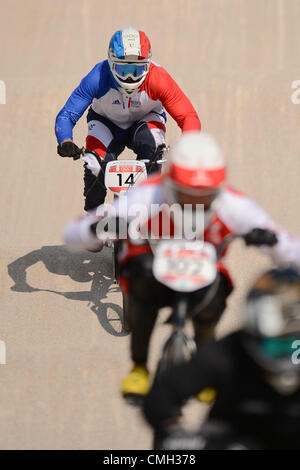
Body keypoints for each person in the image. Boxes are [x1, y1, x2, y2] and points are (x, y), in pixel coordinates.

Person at [63, 131, 300, 398]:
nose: (196, 203)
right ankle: (139, 367)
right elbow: (74, 233)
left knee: (217, 292)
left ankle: (205, 364)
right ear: (169, 184)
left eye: (205, 195)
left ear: (219, 188)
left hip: (205, 271)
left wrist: (268, 240)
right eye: (188, 194)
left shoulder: (233, 204)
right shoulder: (147, 194)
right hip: (152, 269)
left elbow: (289, 248)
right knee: (139, 279)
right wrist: (97, 228)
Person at [143, 268, 300, 450]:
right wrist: (173, 432)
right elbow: (165, 392)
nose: (285, 355)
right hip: (230, 438)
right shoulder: (230, 351)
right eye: (276, 342)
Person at [55, 26, 201, 211]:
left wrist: (187, 144)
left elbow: (188, 116)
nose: (131, 77)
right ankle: (93, 219)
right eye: (123, 70)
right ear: (110, 63)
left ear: (147, 65)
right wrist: (65, 140)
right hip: (105, 122)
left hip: (145, 120)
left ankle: (151, 212)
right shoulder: (97, 77)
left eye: (137, 70)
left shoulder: (159, 78)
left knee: (154, 150)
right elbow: (67, 114)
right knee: (94, 164)